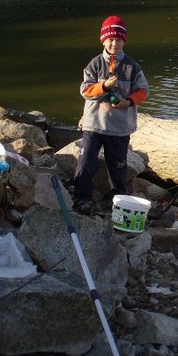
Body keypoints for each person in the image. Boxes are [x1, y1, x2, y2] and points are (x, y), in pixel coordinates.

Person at [73, 15, 149, 214]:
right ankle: (82, 199)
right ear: (103, 41)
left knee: (118, 166)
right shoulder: (95, 64)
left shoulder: (133, 66)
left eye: (118, 39)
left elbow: (143, 91)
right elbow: (85, 90)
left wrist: (128, 101)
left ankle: (118, 201)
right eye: (110, 40)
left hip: (119, 128)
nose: (114, 43)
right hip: (94, 124)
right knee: (86, 161)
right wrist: (104, 86)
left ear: (124, 40)